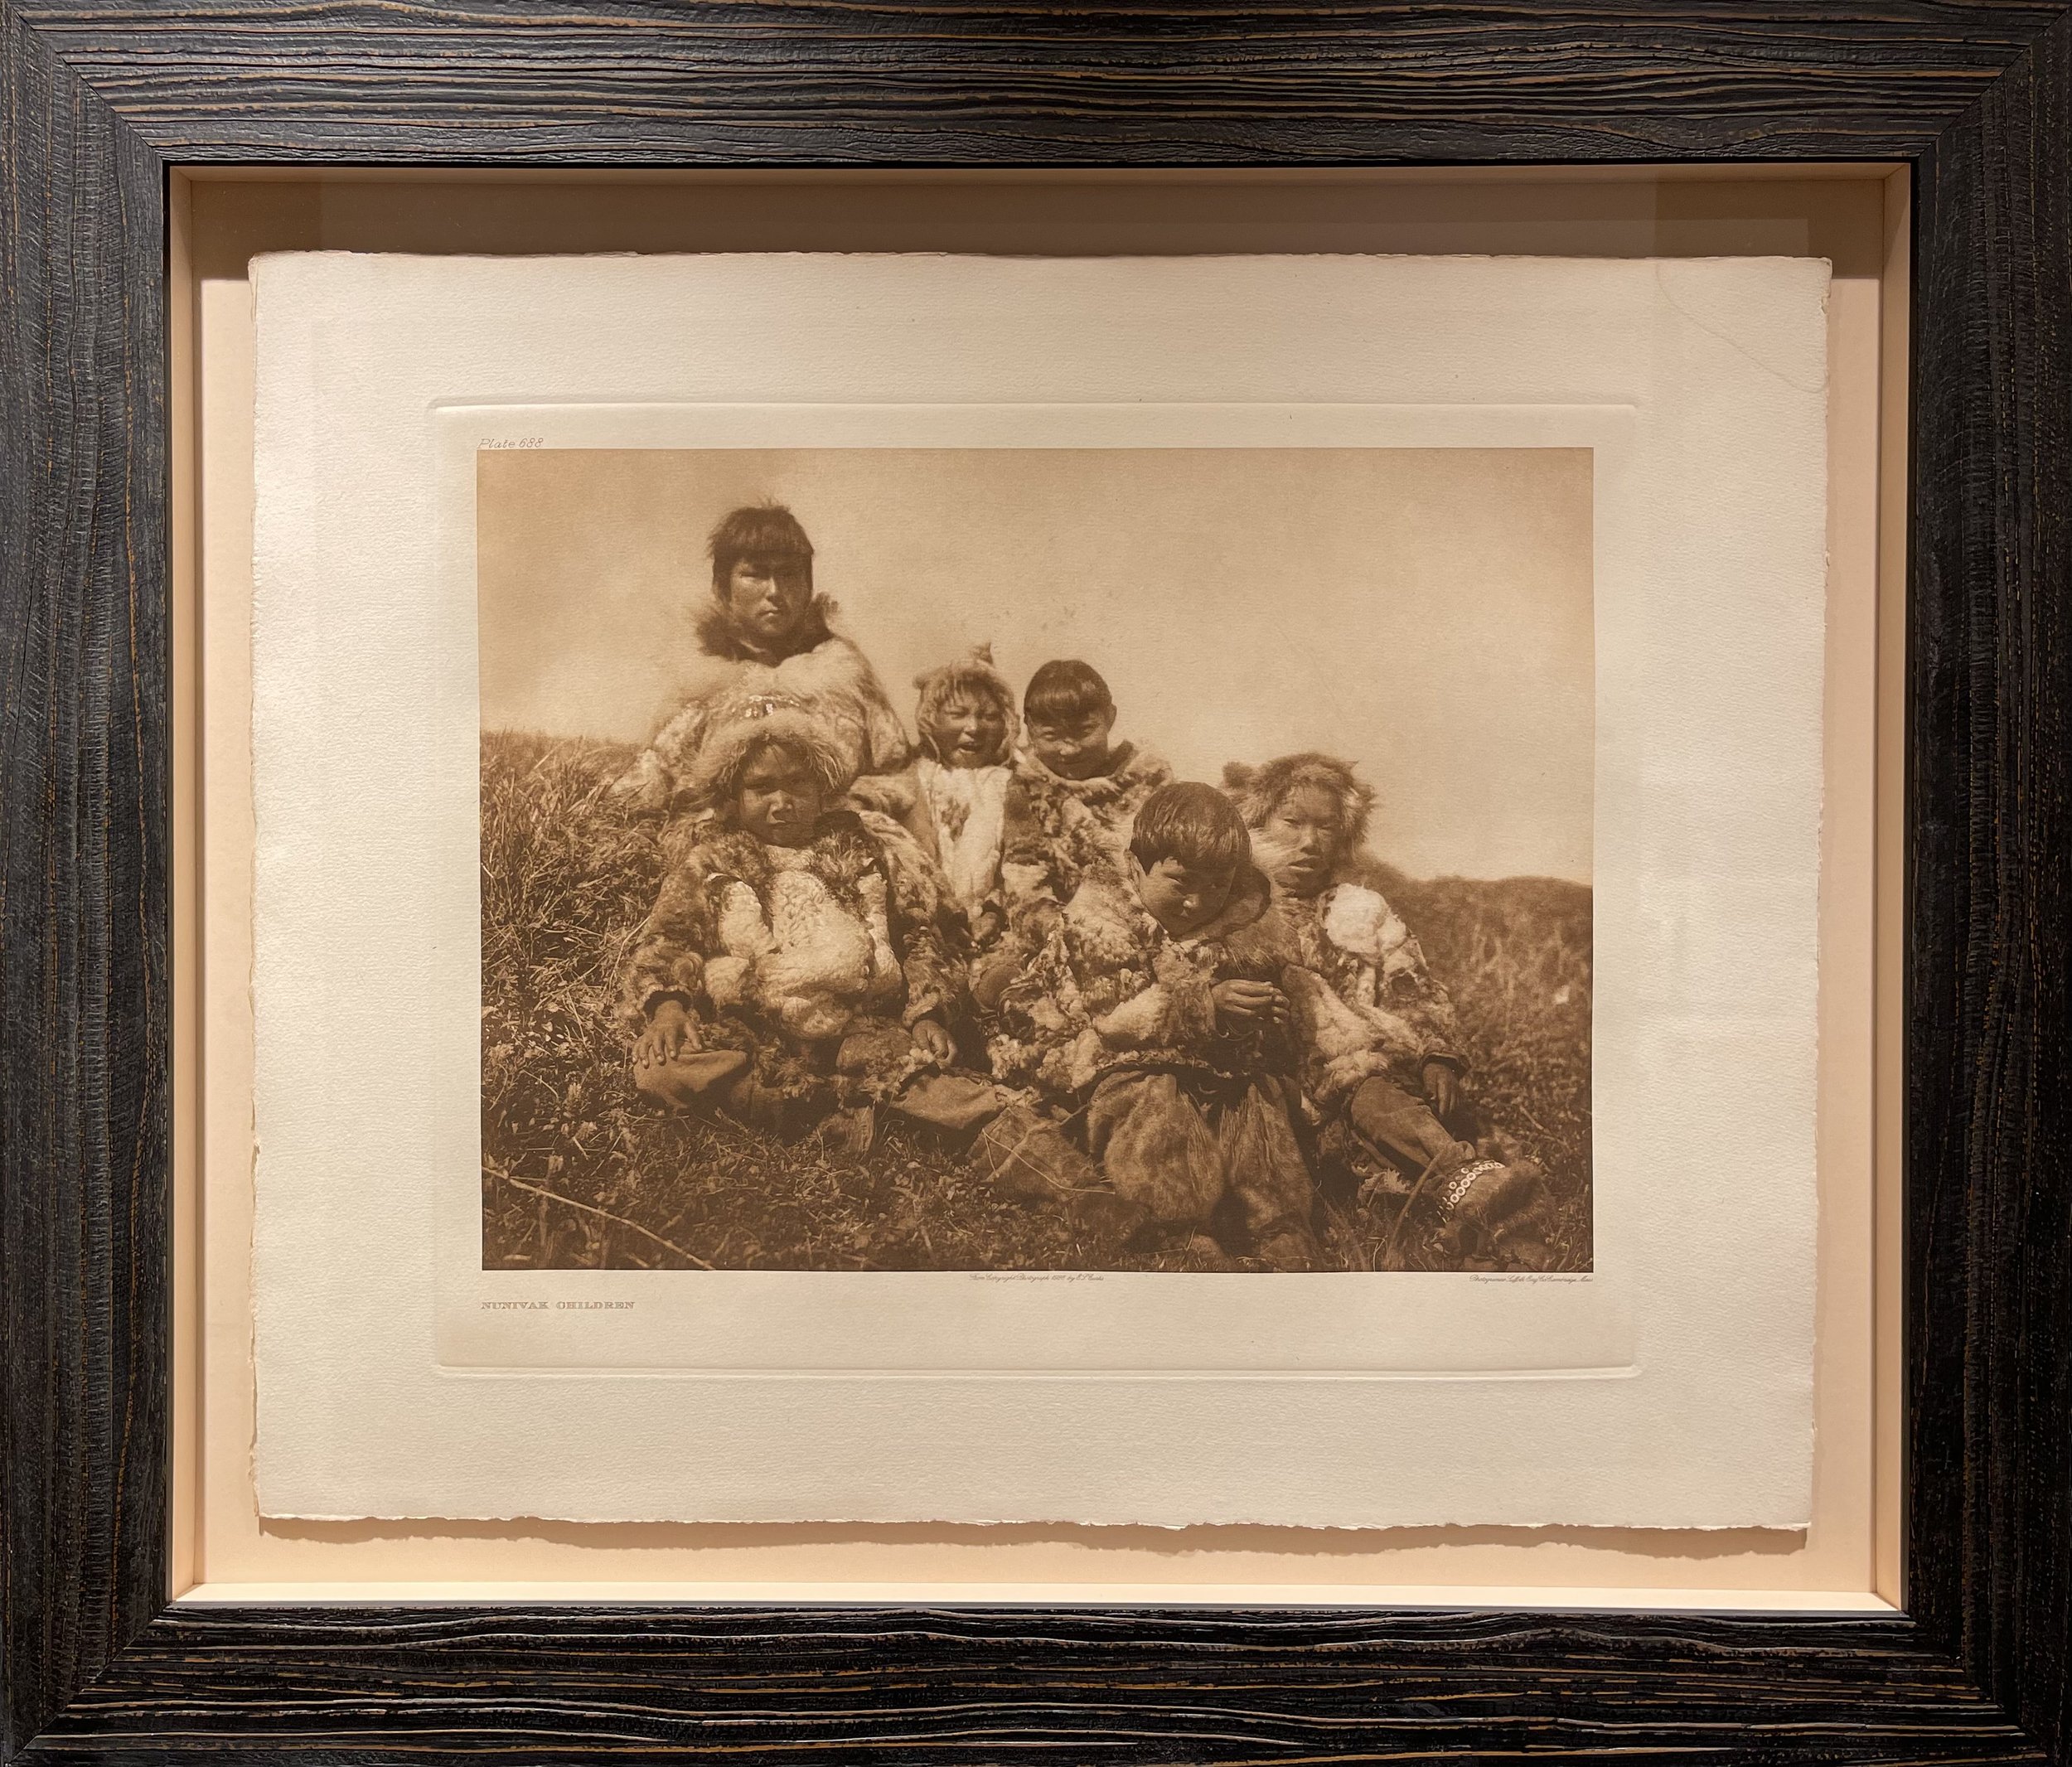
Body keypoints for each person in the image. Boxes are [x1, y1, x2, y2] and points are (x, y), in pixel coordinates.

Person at [618, 694, 1001, 1147]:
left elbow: (917, 932)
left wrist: (926, 1013)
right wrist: (667, 1008)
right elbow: (670, 937)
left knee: (937, 1081)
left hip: (859, 1023)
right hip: (756, 1031)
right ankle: (837, 1110)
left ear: (823, 787)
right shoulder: (711, 858)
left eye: (798, 784)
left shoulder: (860, 848)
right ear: (733, 796)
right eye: (762, 788)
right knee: (661, 1071)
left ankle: (1022, 1152)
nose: (782, 803)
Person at [1224, 753, 1552, 1270]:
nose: (1310, 842)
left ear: (1346, 834)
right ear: (1257, 821)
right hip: (1275, 1081)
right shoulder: (1234, 906)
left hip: (1365, 1079)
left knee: (1378, 1102)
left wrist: (1437, 1052)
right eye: (1292, 822)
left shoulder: (1364, 908)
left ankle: (1481, 1200)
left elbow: (1411, 986)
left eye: (1327, 827)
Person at [990, 782, 1321, 1270]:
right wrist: (1205, 1006)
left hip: (1196, 1062)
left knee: (1255, 1097)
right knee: (1155, 1092)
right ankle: (1181, 1229)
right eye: (1180, 882)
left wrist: (1255, 1021)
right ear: (1135, 866)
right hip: (1083, 1061)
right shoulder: (1099, 917)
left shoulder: (1247, 925)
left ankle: (1280, 1227)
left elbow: (1244, 1021)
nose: (1198, 903)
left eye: (1217, 886)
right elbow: (1112, 1016)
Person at [608, 503, 910, 817]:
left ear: (808, 586)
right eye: (755, 574)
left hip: (841, 847)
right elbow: (641, 790)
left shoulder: (849, 681)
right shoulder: (697, 691)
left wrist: (852, 807)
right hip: (719, 855)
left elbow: (898, 773)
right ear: (722, 588)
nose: (775, 591)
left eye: (789, 574)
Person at [978, 659, 1171, 1009]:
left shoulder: (1148, 779)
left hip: (1150, 927)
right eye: (1051, 737)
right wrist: (1069, 938)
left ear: (1110, 717)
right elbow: (1025, 878)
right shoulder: (1029, 790)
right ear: (1030, 730)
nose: (1069, 750)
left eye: (1083, 732)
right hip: (1063, 934)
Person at [849, 646, 1019, 953]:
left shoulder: (1017, 784)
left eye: (989, 716)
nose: (974, 728)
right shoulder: (911, 777)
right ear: (931, 719)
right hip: (925, 930)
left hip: (998, 929)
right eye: (958, 714)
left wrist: (996, 911)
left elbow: (1024, 862)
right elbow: (858, 808)